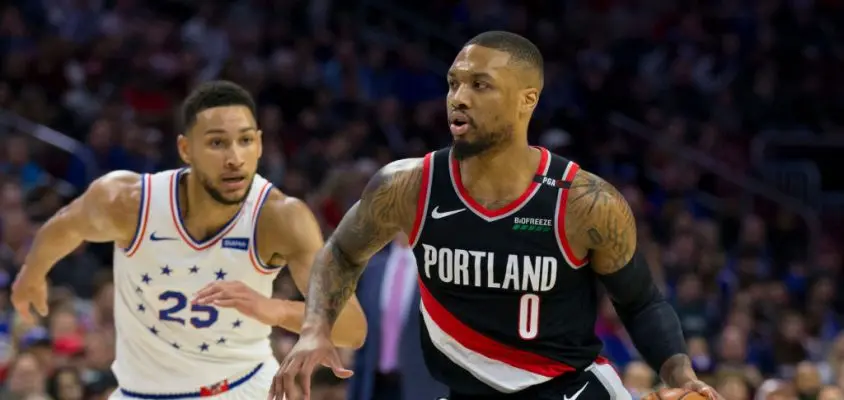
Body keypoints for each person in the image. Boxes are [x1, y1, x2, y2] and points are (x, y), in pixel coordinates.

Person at [272, 31, 723, 400]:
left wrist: (679, 375)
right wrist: (315, 328)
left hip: (569, 391)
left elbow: (640, 301)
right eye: (453, 83)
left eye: (479, 85)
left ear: (527, 99)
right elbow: (342, 253)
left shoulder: (584, 202)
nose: (459, 97)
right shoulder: (408, 187)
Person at [11, 80, 367, 399]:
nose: (234, 158)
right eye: (217, 143)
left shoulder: (280, 218)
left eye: (245, 141)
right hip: (142, 393)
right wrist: (31, 274)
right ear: (186, 149)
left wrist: (274, 309)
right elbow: (64, 227)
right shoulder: (128, 202)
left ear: (259, 144)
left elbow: (352, 327)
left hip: (241, 388)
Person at [347, 233, 448, 400]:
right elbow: (364, 341)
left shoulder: (437, 273)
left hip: (420, 388)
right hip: (375, 387)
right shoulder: (373, 269)